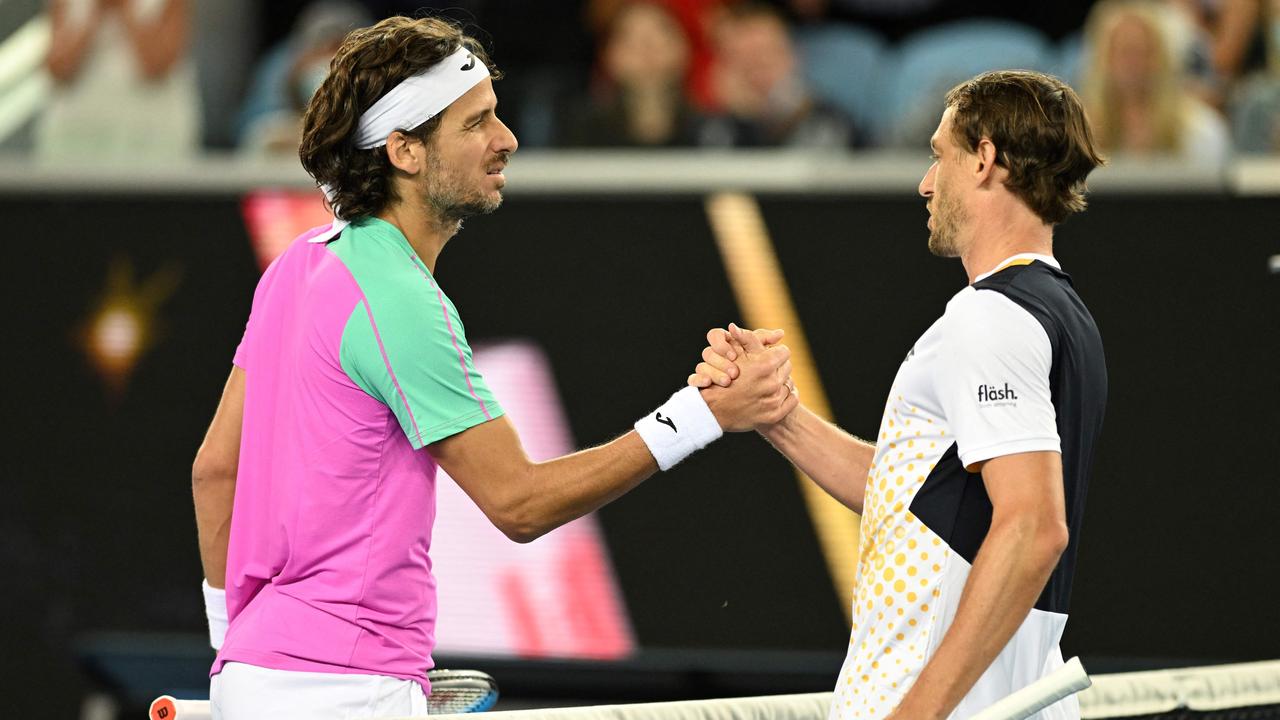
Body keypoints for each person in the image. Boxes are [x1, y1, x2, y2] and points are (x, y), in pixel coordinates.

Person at [190, 15, 797, 720]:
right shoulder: (402, 301)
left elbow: (214, 471)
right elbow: (520, 504)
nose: (506, 140)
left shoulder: (299, 265)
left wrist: (233, 651)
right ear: (406, 152)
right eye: (476, 123)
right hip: (346, 688)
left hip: (257, 677)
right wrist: (703, 414)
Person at [692, 70, 1108, 720]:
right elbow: (916, 496)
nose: (924, 181)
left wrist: (917, 714)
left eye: (938, 155)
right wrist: (779, 416)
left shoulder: (991, 317)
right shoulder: (1055, 312)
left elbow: (1032, 527)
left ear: (986, 158)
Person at [38, 0, 201, 160]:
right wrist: (96, 13)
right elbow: (56, 69)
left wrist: (124, 8)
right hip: (76, 135)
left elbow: (156, 66)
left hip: (148, 137)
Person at [1079, 0, 1231, 167]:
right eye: (1124, 52)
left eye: (1142, 52)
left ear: (1162, 60)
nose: (1132, 64)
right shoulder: (1080, 134)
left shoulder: (1201, 131)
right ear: (1103, 61)